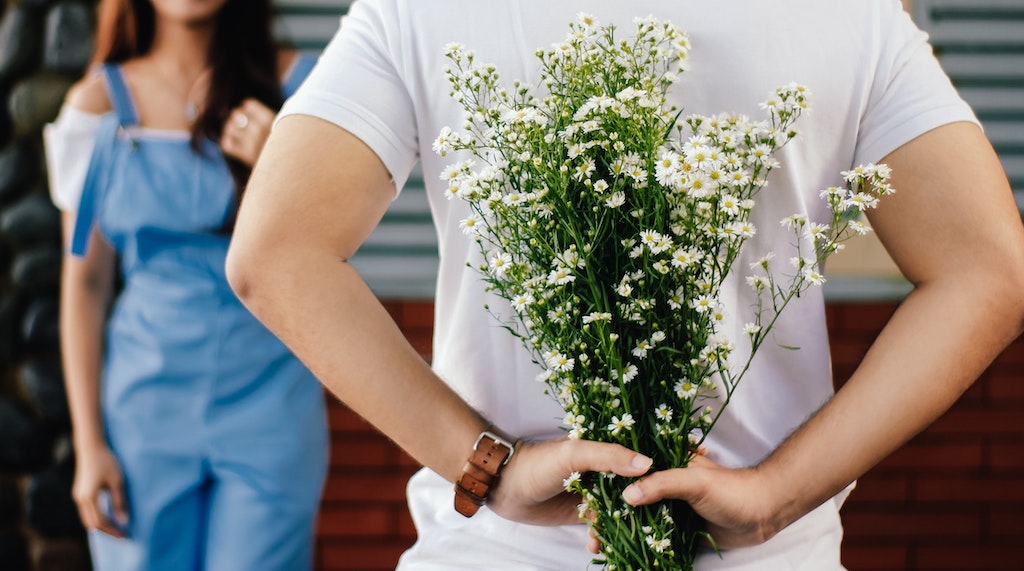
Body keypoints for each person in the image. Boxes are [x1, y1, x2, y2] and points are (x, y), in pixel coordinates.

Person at [226, 0, 1024, 569]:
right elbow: (993, 271)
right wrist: (777, 492)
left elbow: (274, 254)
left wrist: (488, 469)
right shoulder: (852, 13)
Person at [43, 0, 328, 568]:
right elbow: (86, 285)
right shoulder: (95, 107)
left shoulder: (306, 90)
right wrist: (89, 443)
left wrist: (277, 169)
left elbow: (332, 257)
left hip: (273, 405)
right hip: (142, 412)